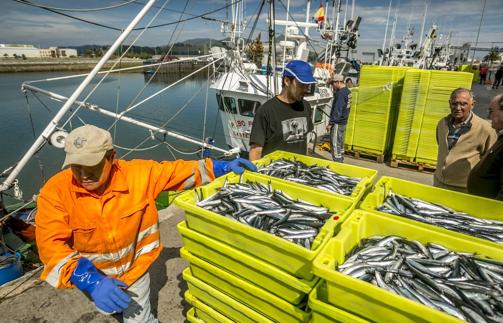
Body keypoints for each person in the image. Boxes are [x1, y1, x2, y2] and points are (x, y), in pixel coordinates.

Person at [35, 125, 256, 322]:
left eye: (91, 166)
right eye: (76, 166)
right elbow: (50, 247)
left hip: (135, 270)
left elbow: (177, 172)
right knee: (111, 308)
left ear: (111, 157)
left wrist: (218, 168)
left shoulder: (139, 174)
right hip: (94, 273)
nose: (83, 174)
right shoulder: (55, 192)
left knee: (138, 318)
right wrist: (90, 281)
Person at [249, 60, 316, 160]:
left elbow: (304, 142)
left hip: (299, 171)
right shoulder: (266, 111)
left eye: (307, 86)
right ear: (287, 81)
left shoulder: (305, 106)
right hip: (275, 172)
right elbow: (256, 151)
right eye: (301, 85)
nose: (306, 90)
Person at [434, 88, 497, 193]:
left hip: (463, 189)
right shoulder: (442, 124)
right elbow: (442, 146)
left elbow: (489, 162)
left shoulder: (485, 129)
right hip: (438, 184)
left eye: (463, 104)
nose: (458, 108)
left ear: (472, 105)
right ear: (449, 103)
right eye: (454, 104)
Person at [327, 74, 351, 163]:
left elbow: (338, 110)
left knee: (335, 143)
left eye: (333, 83)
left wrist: (330, 123)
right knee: (340, 143)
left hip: (338, 123)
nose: (332, 86)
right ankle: (341, 160)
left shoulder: (340, 94)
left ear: (338, 82)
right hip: (344, 122)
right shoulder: (348, 92)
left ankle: (337, 162)